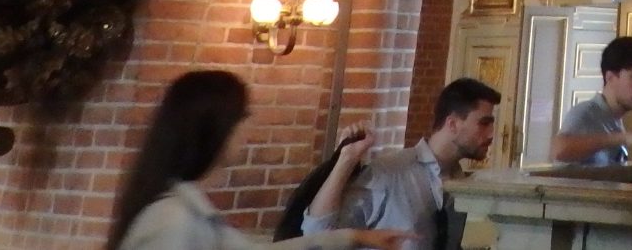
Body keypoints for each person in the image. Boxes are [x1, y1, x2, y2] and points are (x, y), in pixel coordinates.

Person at [105, 70, 407, 250]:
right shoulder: (174, 219)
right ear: (217, 126)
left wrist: (353, 236)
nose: (251, 127)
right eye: (243, 116)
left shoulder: (189, 210)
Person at [301, 77, 500, 250]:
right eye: (484, 123)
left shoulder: (461, 184)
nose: (492, 134)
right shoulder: (389, 172)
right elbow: (318, 234)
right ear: (453, 124)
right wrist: (347, 159)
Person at [552, 36, 632, 166]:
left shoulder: (615, 121)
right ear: (610, 77)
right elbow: (559, 150)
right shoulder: (586, 113)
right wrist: (622, 138)